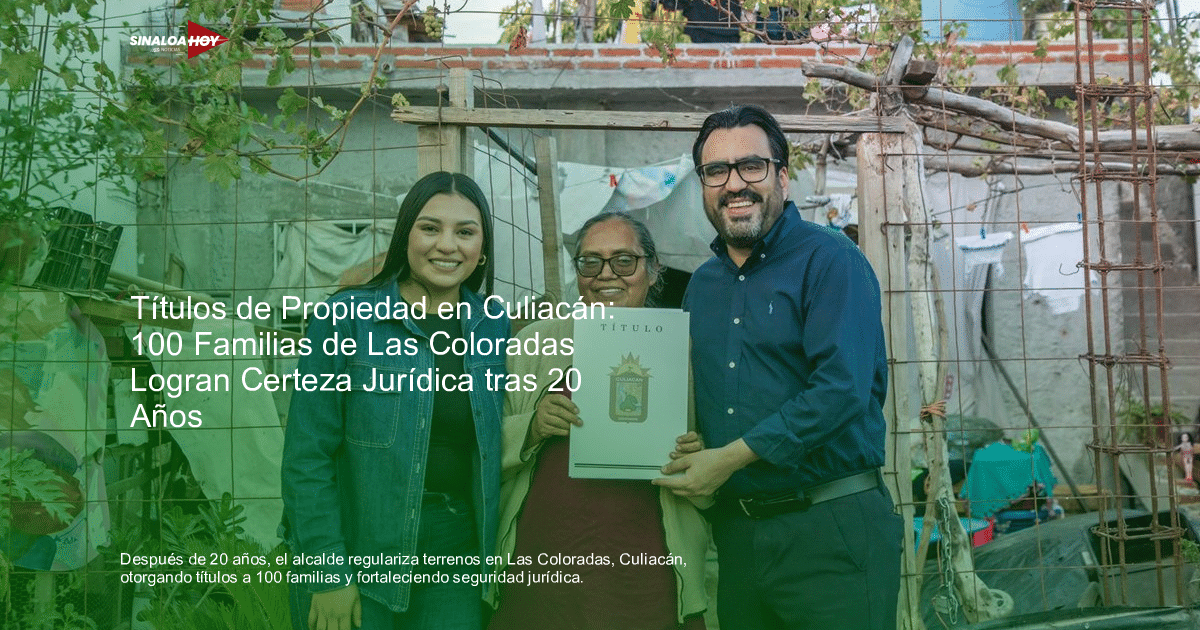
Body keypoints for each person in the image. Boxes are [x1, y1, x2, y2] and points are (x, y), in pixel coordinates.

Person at [655, 105, 903, 630]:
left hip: (830, 529)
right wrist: (695, 444)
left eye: (752, 166)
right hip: (740, 536)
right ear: (703, 185)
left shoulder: (830, 260)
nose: (734, 184)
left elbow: (841, 390)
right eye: (716, 171)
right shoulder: (701, 286)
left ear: (783, 178)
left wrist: (727, 460)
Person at [281, 171, 508, 630]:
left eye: (465, 232)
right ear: (406, 235)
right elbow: (307, 457)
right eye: (430, 228)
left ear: (481, 249)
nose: (447, 245)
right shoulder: (345, 320)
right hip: (360, 544)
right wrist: (327, 572)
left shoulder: (492, 325)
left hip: (454, 547)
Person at [487, 212, 710, 630]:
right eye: (590, 262)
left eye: (624, 260)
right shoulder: (534, 341)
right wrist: (531, 427)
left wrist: (694, 458)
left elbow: (716, 470)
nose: (606, 274)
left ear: (653, 269)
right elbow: (479, 448)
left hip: (648, 573)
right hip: (544, 572)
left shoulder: (686, 351)